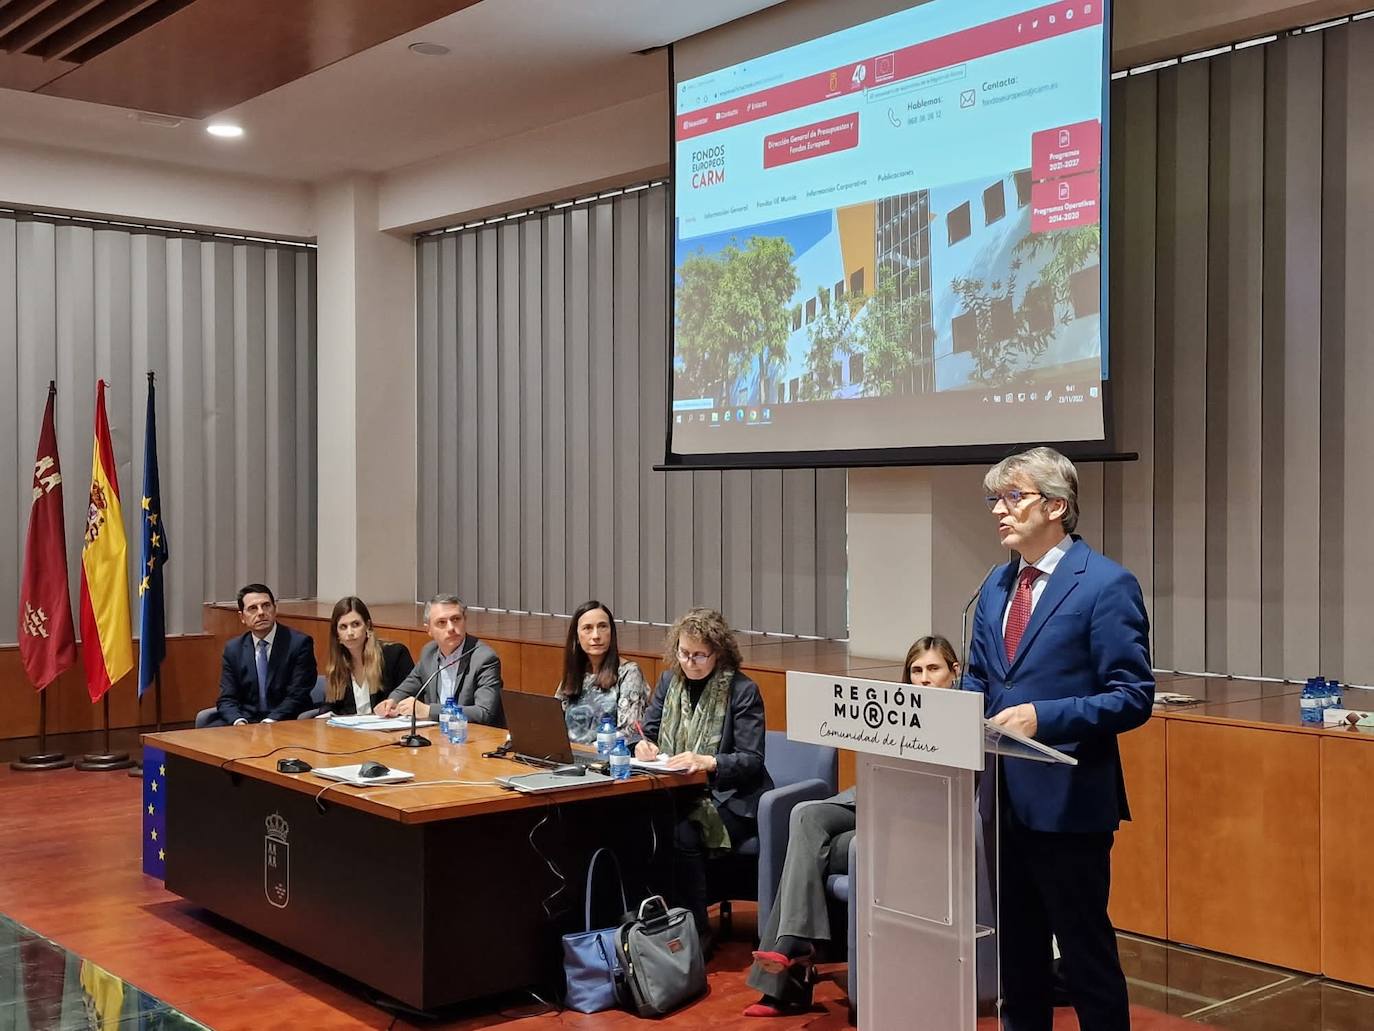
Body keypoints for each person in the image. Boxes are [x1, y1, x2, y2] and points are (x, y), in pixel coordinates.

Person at [963, 446, 1154, 1031]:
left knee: (1083, 955)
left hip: (1070, 803)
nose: (999, 510)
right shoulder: (996, 585)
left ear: (1057, 505)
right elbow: (979, 674)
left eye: (1012, 497)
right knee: (1017, 957)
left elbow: (1132, 695)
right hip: (1002, 800)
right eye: (995, 499)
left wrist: (1043, 718)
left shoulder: (1105, 584)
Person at [743, 636, 959, 1018]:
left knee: (816, 850)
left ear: (954, 672)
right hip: (869, 801)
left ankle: (787, 972)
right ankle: (793, 945)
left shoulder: (963, 720)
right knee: (805, 814)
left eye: (934, 669)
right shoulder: (897, 710)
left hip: (913, 825)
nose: (924, 679)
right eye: (917, 671)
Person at [635, 608, 772, 949]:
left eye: (699, 655)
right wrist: (643, 745)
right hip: (678, 790)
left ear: (719, 653)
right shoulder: (670, 681)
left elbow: (752, 760)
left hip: (732, 797)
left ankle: (696, 935)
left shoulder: (742, 690)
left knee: (682, 833)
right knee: (641, 825)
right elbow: (647, 732)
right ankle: (656, 924)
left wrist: (708, 761)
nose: (690, 662)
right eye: (683, 653)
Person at [374, 593, 504, 727]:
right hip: (437, 736)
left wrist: (429, 711)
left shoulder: (484, 658)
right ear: (429, 629)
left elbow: (484, 713)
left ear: (465, 620)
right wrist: (392, 702)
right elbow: (407, 687)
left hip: (473, 738)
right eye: (442, 622)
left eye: (456, 619)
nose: (451, 628)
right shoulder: (429, 653)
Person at [213, 583, 318, 726]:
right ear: (242, 617)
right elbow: (227, 698)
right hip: (247, 723)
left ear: (275, 610)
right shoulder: (234, 649)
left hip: (286, 720)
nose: (261, 612)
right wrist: (238, 722)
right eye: (253, 608)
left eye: (266, 606)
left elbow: (297, 695)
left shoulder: (299, 644)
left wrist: (269, 721)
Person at [555, 599, 650, 744]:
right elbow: (553, 720)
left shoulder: (629, 673)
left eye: (602, 626)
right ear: (577, 637)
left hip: (605, 758)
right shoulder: (575, 673)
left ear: (611, 632)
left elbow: (630, 732)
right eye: (587, 628)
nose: (596, 636)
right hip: (568, 755)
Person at [315, 596, 416, 717]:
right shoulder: (338, 665)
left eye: (356, 624)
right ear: (336, 633)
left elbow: (410, 698)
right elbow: (329, 705)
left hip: (387, 732)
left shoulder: (394, 655)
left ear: (367, 626)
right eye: (343, 627)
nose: (350, 633)